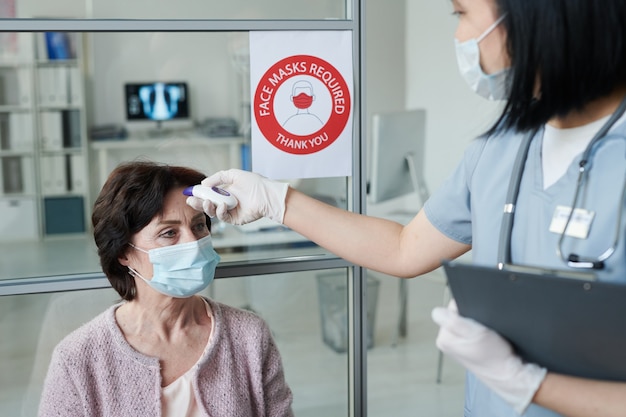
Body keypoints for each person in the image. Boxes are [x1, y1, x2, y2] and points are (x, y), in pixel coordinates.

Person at [186, 1, 626, 416]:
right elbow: (404, 248)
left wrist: (529, 384)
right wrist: (276, 200)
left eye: (463, 13)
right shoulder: (500, 148)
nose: (460, 35)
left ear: (535, 15)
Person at [39, 161, 293, 417]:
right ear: (124, 253)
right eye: (169, 232)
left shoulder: (250, 336)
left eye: (198, 226)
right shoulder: (77, 359)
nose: (193, 243)